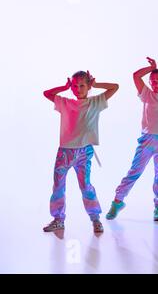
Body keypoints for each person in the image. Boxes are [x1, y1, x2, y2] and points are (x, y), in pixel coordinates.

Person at [106, 57, 158, 222]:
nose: (156, 83)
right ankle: (118, 201)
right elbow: (135, 76)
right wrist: (152, 68)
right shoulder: (146, 93)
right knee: (134, 171)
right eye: (153, 81)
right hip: (147, 139)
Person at [43, 70, 119, 233]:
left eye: (82, 85)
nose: (78, 89)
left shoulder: (95, 102)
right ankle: (58, 219)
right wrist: (64, 87)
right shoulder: (65, 103)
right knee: (58, 186)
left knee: (85, 186)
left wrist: (96, 84)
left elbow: (114, 87)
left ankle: (95, 218)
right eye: (75, 86)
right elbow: (47, 93)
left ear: (88, 86)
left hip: (84, 152)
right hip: (65, 152)